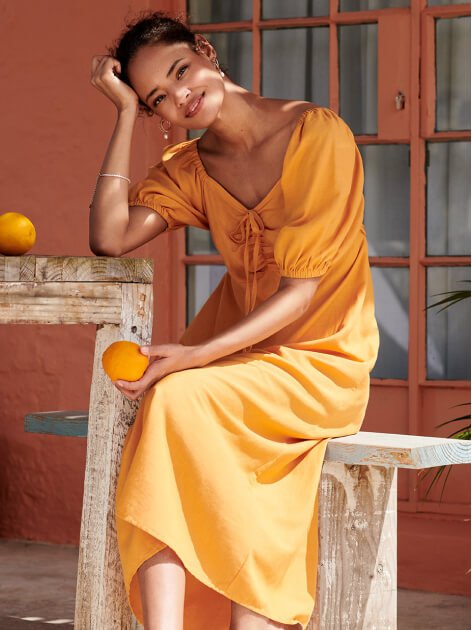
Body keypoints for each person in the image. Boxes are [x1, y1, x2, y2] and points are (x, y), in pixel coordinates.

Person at [89, 10, 380, 630]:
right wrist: (120, 115)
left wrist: (196, 355)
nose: (180, 97)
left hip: (321, 362)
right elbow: (110, 236)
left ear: (206, 51)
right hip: (241, 360)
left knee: (177, 397)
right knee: (169, 403)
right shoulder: (193, 169)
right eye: (157, 99)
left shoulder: (315, 135)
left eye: (180, 71)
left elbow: (302, 294)